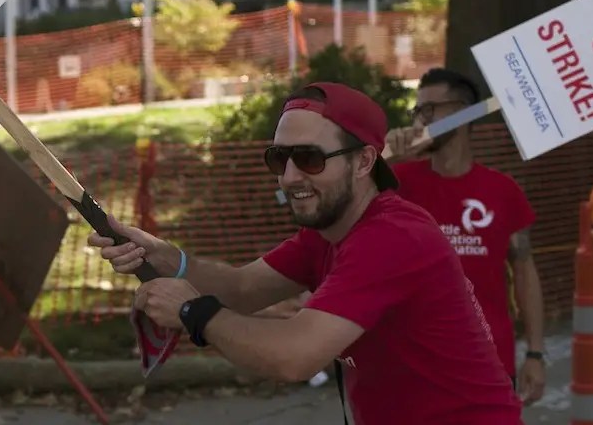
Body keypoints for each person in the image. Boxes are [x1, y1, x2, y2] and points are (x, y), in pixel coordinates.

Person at [90, 82, 521, 424]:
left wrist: (192, 312)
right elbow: (243, 288)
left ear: (364, 161)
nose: (290, 177)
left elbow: (294, 356)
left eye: (310, 159)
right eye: (280, 159)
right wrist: (167, 258)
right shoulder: (330, 230)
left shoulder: (392, 238)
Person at [385, 67, 547, 403]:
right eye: (417, 111)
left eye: (430, 110)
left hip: (488, 364)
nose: (420, 120)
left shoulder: (503, 192)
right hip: (413, 367)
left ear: (461, 113)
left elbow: (525, 271)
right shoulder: (396, 183)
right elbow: (339, 208)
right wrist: (384, 162)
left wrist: (535, 353)